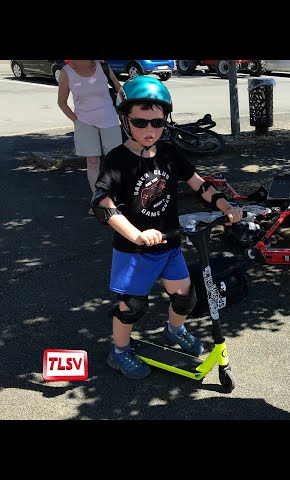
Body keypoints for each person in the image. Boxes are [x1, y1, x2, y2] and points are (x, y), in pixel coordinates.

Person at [92, 75, 243, 379]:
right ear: (125, 120)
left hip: (170, 244)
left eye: (157, 123)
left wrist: (224, 205)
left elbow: (199, 184)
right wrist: (136, 234)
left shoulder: (170, 153)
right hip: (134, 251)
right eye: (140, 122)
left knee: (186, 297)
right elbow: (101, 203)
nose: (149, 130)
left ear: (166, 121)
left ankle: (174, 330)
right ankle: (118, 352)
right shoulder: (118, 159)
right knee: (131, 306)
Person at [57, 60, 122, 213]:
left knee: (116, 160)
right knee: (93, 162)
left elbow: (120, 90)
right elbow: (61, 102)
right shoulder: (66, 72)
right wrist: (76, 120)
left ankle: (118, 198)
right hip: (84, 122)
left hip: (109, 119)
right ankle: (99, 201)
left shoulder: (102, 67)